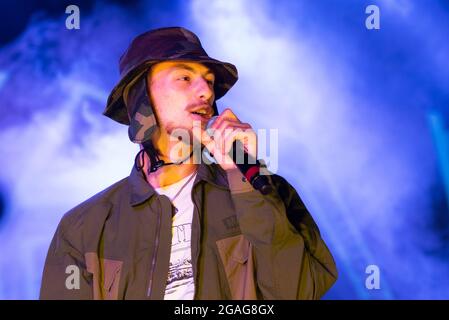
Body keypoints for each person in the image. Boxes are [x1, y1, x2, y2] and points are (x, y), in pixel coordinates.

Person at [39, 26, 337, 300]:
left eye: (208, 81)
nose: (206, 92)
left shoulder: (266, 189)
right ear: (139, 98)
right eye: (184, 77)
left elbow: (297, 292)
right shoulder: (83, 228)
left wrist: (245, 178)